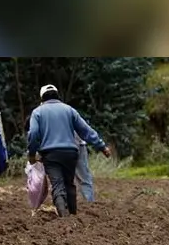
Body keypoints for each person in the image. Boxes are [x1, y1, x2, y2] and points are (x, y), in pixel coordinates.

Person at [27, 84, 111, 216]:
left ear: (42, 98)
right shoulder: (69, 110)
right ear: (58, 95)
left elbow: (33, 133)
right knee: (69, 184)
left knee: (57, 184)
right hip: (70, 153)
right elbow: (85, 130)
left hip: (51, 154)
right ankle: (73, 215)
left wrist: (32, 153)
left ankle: (63, 215)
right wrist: (102, 146)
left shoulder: (37, 112)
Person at [74, 133, 96, 203]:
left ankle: (63, 205)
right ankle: (89, 203)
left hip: (56, 146)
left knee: (61, 179)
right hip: (77, 143)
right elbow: (85, 129)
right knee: (84, 178)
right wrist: (101, 145)